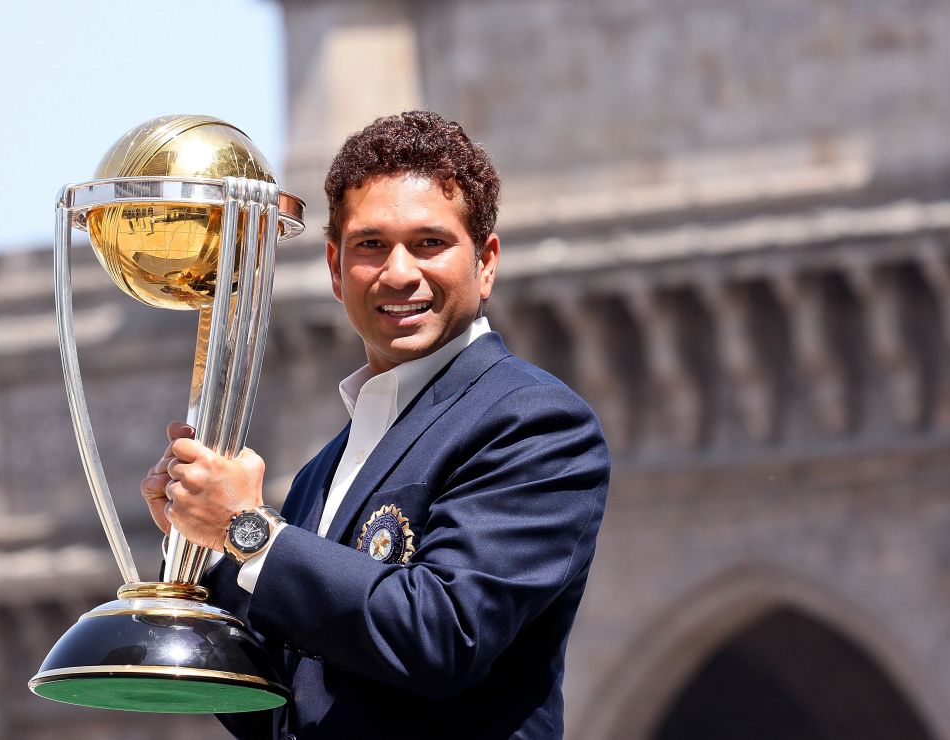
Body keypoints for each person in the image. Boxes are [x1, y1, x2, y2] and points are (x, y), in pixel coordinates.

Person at [141, 110, 610, 739]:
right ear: (335, 268)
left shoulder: (533, 423)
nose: (398, 273)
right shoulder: (322, 472)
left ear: (487, 261)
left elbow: (445, 635)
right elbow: (284, 713)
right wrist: (202, 548)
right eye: (370, 245)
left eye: (429, 243)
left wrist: (247, 531)